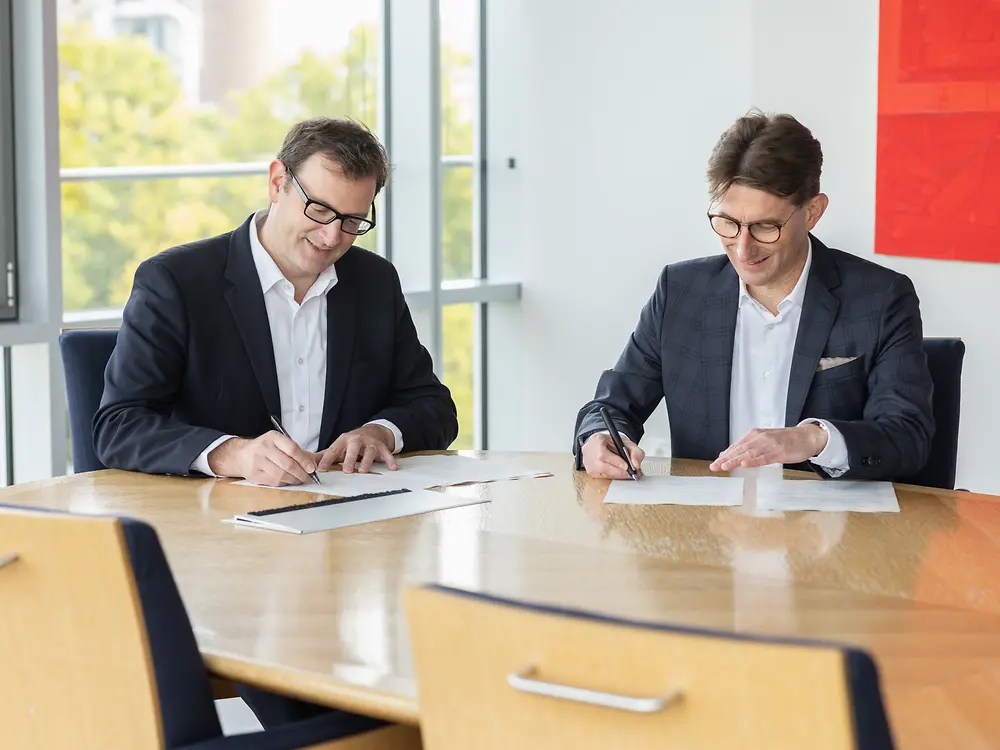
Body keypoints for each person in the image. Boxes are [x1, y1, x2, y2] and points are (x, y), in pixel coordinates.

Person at [574, 110, 934, 482]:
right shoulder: (680, 292)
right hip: (705, 531)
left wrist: (815, 438)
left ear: (813, 212)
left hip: (828, 533)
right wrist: (599, 438)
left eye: (766, 227)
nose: (743, 250)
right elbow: (611, 406)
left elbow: (908, 436)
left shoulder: (881, 298)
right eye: (728, 223)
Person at [95, 117, 458, 484]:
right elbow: (119, 425)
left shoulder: (374, 282)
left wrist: (380, 432)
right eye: (319, 209)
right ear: (276, 182)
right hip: (216, 525)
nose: (332, 236)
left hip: (347, 521)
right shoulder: (176, 281)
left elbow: (434, 407)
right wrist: (231, 454)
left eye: (353, 221)